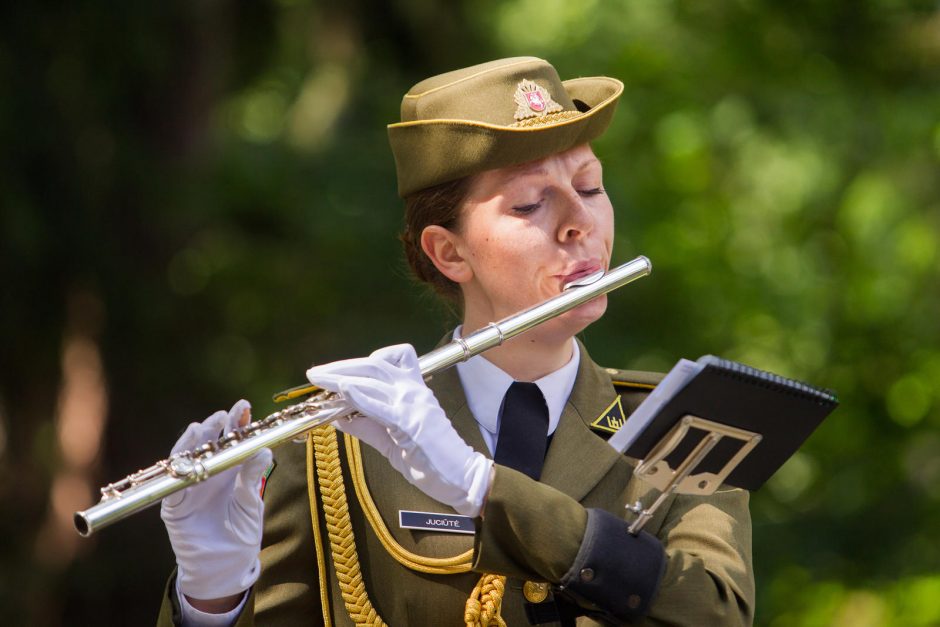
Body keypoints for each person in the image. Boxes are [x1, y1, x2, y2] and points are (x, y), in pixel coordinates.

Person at [157, 56, 754, 626]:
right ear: (449, 251)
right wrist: (212, 600)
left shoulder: (689, 425)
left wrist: (479, 485)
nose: (581, 222)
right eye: (529, 202)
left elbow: (716, 613)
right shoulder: (330, 448)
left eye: (591, 186)